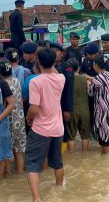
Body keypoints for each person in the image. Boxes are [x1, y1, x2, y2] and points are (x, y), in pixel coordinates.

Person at [26, 48, 65, 202]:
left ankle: (37, 199)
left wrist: (29, 119)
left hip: (41, 129)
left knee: (33, 165)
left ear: (39, 62)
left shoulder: (36, 81)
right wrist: (49, 60)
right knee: (57, 162)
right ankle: (59, 189)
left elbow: (34, 108)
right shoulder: (61, 78)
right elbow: (52, 71)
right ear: (54, 62)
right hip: (58, 128)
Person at [87, 54, 109, 154]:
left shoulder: (97, 79)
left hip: (103, 112)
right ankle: (107, 160)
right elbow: (102, 82)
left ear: (96, 65)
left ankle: (107, 163)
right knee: (108, 137)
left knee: (104, 140)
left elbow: (91, 92)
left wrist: (88, 83)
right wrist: (91, 79)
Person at [0, 60, 27, 173]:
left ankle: (8, 175)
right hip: (19, 120)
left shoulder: (1, 85)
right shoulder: (16, 81)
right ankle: (20, 173)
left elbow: (3, 104)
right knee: (19, 150)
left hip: (7, 120)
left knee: (6, 152)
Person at [65, 58, 90, 152]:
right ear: (78, 68)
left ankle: (71, 154)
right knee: (85, 135)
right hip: (85, 110)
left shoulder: (66, 79)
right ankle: (84, 156)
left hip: (71, 110)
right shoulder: (85, 79)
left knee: (70, 136)